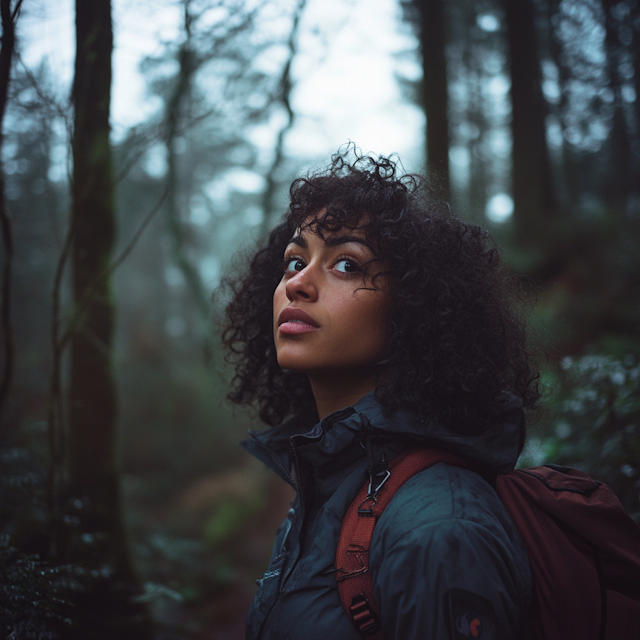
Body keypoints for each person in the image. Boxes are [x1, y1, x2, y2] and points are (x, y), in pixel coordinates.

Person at [221, 147, 539, 640]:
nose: (298, 284)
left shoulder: (438, 530)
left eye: (346, 264)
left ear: (416, 309)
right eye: (294, 261)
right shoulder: (332, 479)